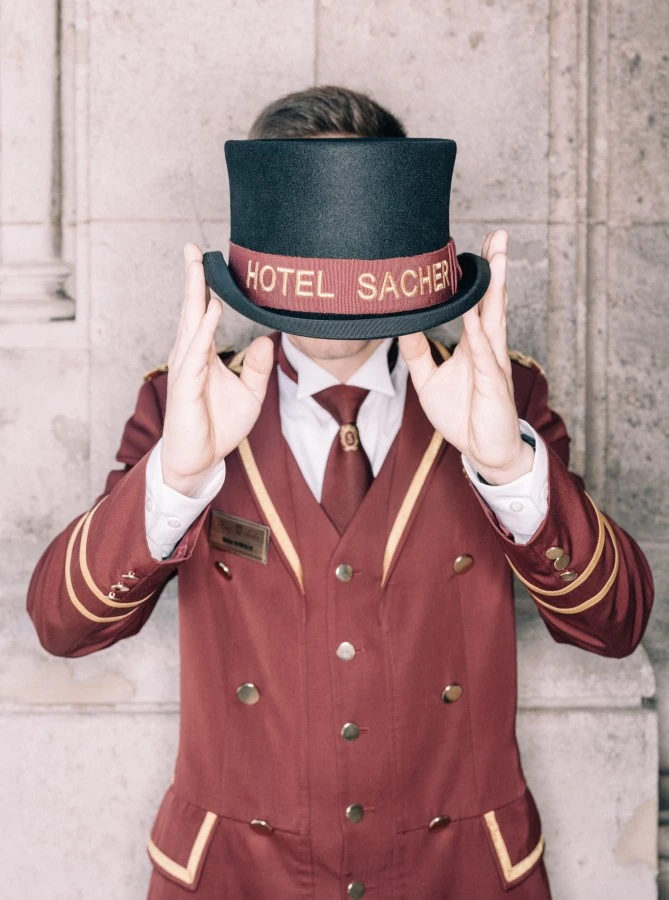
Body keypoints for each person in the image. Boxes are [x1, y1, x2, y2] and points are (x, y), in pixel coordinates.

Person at [27, 86, 654, 899]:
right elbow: (60, 626)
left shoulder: (503, 395)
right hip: (239, 875)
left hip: (457, 874)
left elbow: (616, 625)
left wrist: (508, 467)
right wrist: (175, 479)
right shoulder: (183, 402)